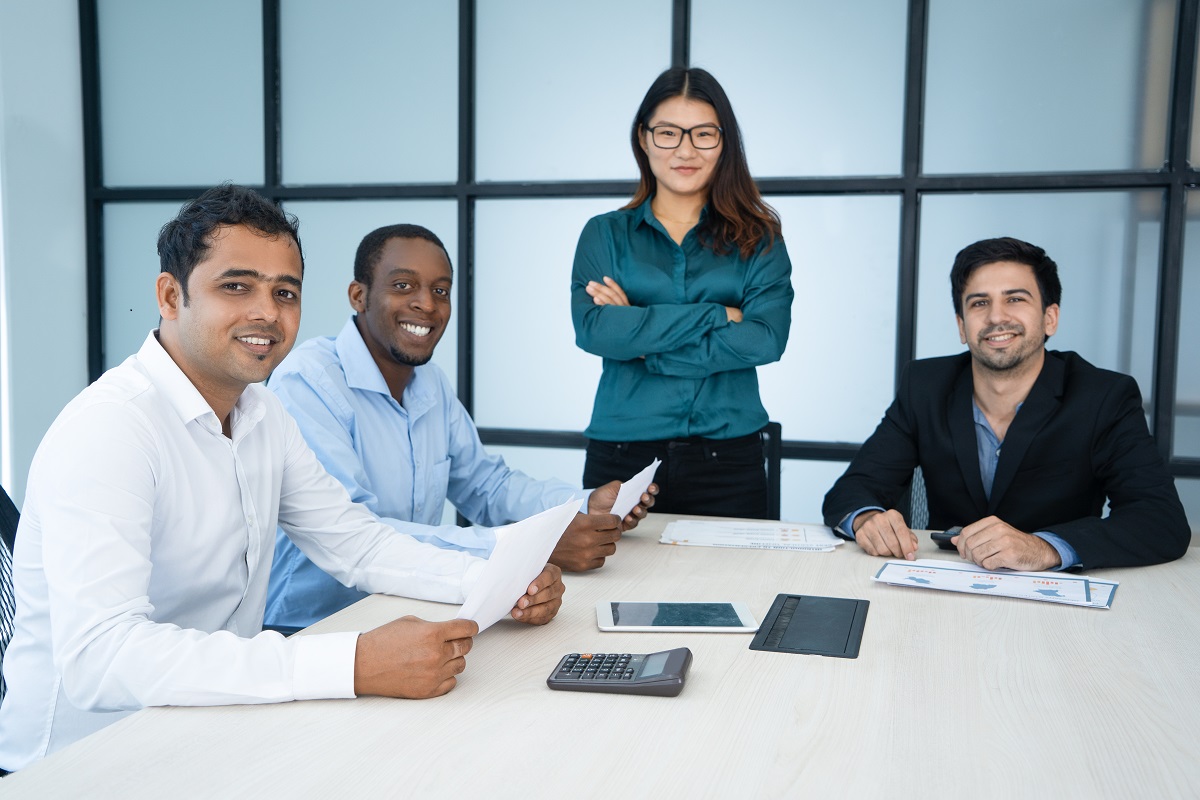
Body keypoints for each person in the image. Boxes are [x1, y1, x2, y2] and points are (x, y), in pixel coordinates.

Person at [0, 185, 565, 771]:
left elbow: (355, 541)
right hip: (82, 764)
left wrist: (495, 582)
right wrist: (354, 662)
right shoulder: (110, 429)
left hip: (211, 732)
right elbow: (102, 658)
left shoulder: (261, 414)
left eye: (284, 292)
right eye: (236, 286)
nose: (267, 313)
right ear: (171, 296)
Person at [265, 223, 656, 630]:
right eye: (403, 285)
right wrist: (527, 548)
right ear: (359, 296)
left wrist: (582, 504)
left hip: (411, 609)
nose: (427, 305)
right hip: (311, 625)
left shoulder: (429, 382)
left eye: (440, 291)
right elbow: (356, 535)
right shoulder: (309, 381)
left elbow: (485, 485)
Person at [823, 237, 1190, 571]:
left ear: (1050, 318)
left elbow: (1160, 520)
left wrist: (1044, 547)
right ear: (962, 327)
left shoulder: (1103, 396)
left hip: (1058, 598)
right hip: (947, 585)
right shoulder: (925, 386)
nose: (997, 317)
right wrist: (866, 518)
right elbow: (852, 490)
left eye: (1015, 299)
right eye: (979, 303)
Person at [570, 67, 793, 519]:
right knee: (610, 584)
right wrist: (718, 313)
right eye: (669, 133)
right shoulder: (604, 234)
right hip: (621, 457)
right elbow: (598, 332)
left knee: (738, 589)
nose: (686, 150)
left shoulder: (759, 238)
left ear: (724, 141)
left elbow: (765, 340)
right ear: (644, 138)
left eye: (703, 134)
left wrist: (643, 339)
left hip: (730, 460)